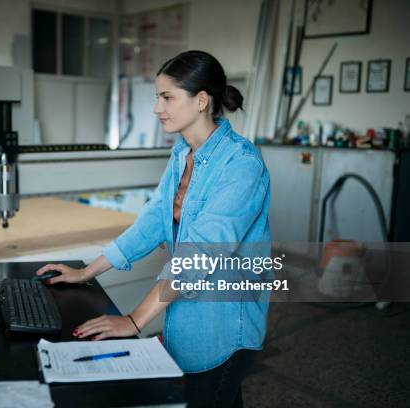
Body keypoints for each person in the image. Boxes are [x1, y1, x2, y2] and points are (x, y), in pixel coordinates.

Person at [36, 50, 271, 407]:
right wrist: (87, 271)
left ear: (202, 101)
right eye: (157, 97)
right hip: (187, 320)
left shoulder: (241, 165)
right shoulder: (181, 154)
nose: (157, 108)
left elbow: (200, 253)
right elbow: (152, 221)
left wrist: (135, 320)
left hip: (223, 328)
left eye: (167, 97)